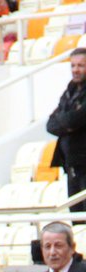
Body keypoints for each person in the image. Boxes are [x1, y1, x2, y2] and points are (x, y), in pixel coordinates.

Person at [48, 49, 86, 212]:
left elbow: (75, 119)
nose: (75, 70)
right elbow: (50, 124)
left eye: (81, 66)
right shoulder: (70, 90)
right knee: (75, 217)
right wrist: (68, 122)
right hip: (70, 165)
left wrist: (66, 120)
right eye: (73, 66)